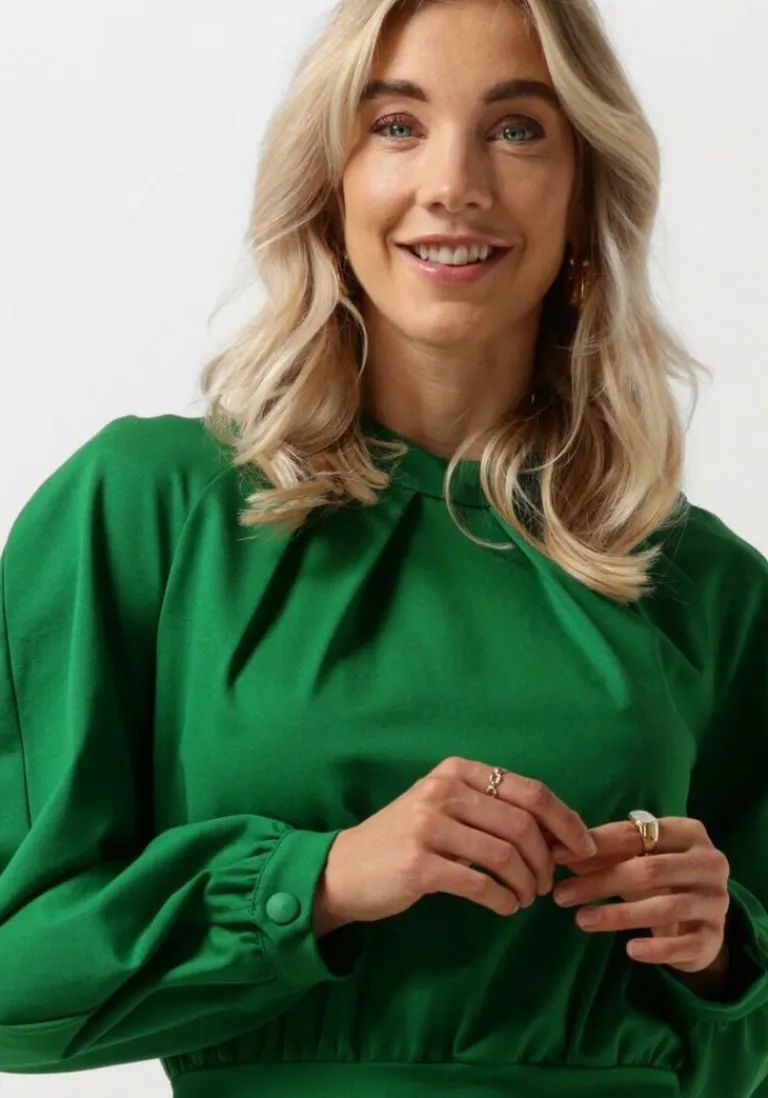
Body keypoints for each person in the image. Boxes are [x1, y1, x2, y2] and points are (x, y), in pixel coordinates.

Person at [0, 0, 766, 1095]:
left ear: (585, 191)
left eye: (517, 129)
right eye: (396, 125)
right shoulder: (151, 512)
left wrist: (721, 953)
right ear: (330, 181)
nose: (453, 184)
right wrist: (319, 881)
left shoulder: (700, 584)